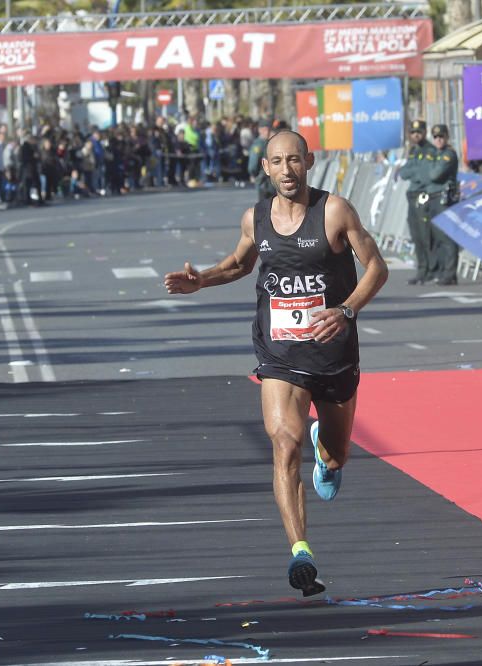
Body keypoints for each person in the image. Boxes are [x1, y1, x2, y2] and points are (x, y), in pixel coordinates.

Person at [164, 129, 389, 597]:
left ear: (308, 161)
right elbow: (239, 265)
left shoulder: (334, 211)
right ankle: (300, 551)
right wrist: (200, 281)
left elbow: (377, 268)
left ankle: (326, 457)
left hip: (333, 354)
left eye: (294, 161)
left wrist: (346, 311)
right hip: (278, 353)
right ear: (265, 168)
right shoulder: (256, 219)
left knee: (335, 453)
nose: (287, 171)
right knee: (283, 442)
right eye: (277, 162)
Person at [424, 124, 460, 285]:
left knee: (447, 237)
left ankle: (450, 273)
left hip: (444, 198)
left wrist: (427, 168)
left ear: (447, 137)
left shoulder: (448, 155)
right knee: (437, 237)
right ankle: (441, 271)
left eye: (441, 137)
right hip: (433, 197)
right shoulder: (435, 154)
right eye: (435, 137)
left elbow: (434, 175)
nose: (438, 140)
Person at [398, 119, 432, 285]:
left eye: (419, 132)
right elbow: (404, 172)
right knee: (416, 235)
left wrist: (413, 172)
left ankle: (428, 270)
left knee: (425, 235)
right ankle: (422, 269)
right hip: (412, 195)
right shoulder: (413, 150)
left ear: (425, 132)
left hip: (423, 195)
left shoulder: (430, 151)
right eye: (413, 132)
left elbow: (424, 174)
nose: (416, 135)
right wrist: (413, 172)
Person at [248, 119, 276, 201]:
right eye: (266, 129)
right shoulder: (258, 144)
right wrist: (254, 174)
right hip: (264, 180)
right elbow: (253, 165)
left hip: (268, 180)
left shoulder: (266, 142)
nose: (268, 132)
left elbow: (253, 165)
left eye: (269, 129)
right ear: (260, 130)